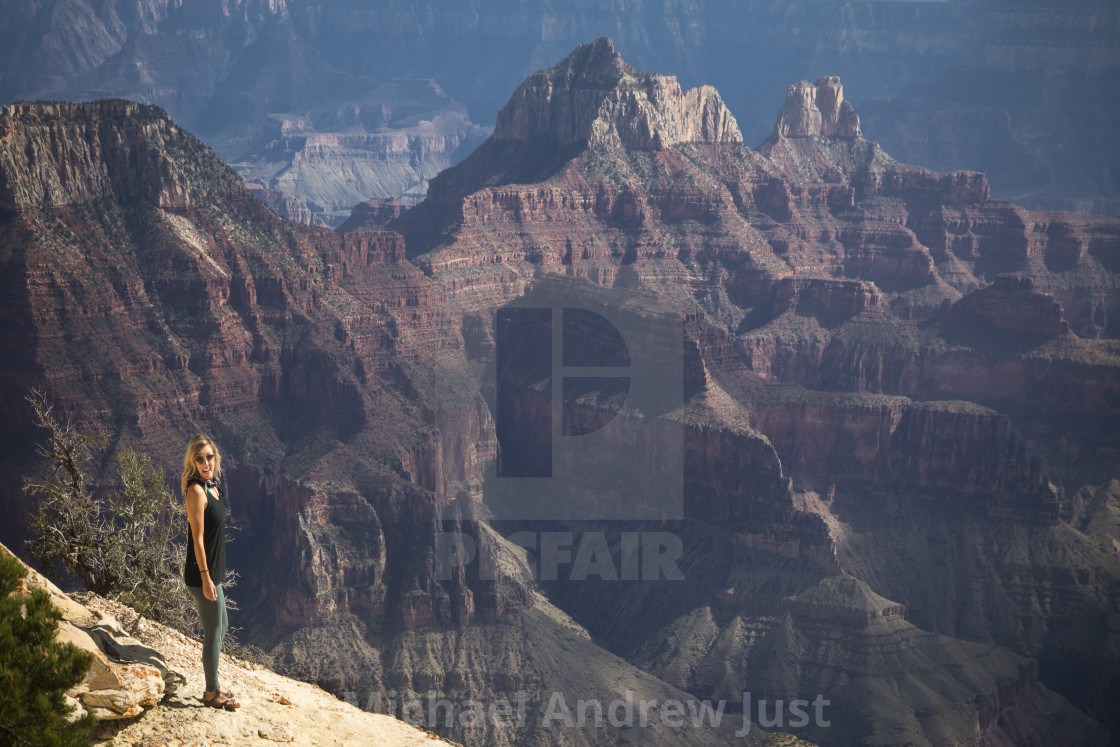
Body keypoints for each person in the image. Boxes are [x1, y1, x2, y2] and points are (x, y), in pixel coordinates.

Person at [182, 434, 240, 711]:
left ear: (216, 457)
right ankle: (210, 692)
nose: (206, 462)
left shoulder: (213, 487)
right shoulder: (196, 491)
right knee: (214, 630)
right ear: (193, 462)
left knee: (222, 625)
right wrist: (206, 578)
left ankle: (214, 684)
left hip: (212, 573)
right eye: (200, 458)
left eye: (209, 456)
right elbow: (198, 539)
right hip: (201, 574)